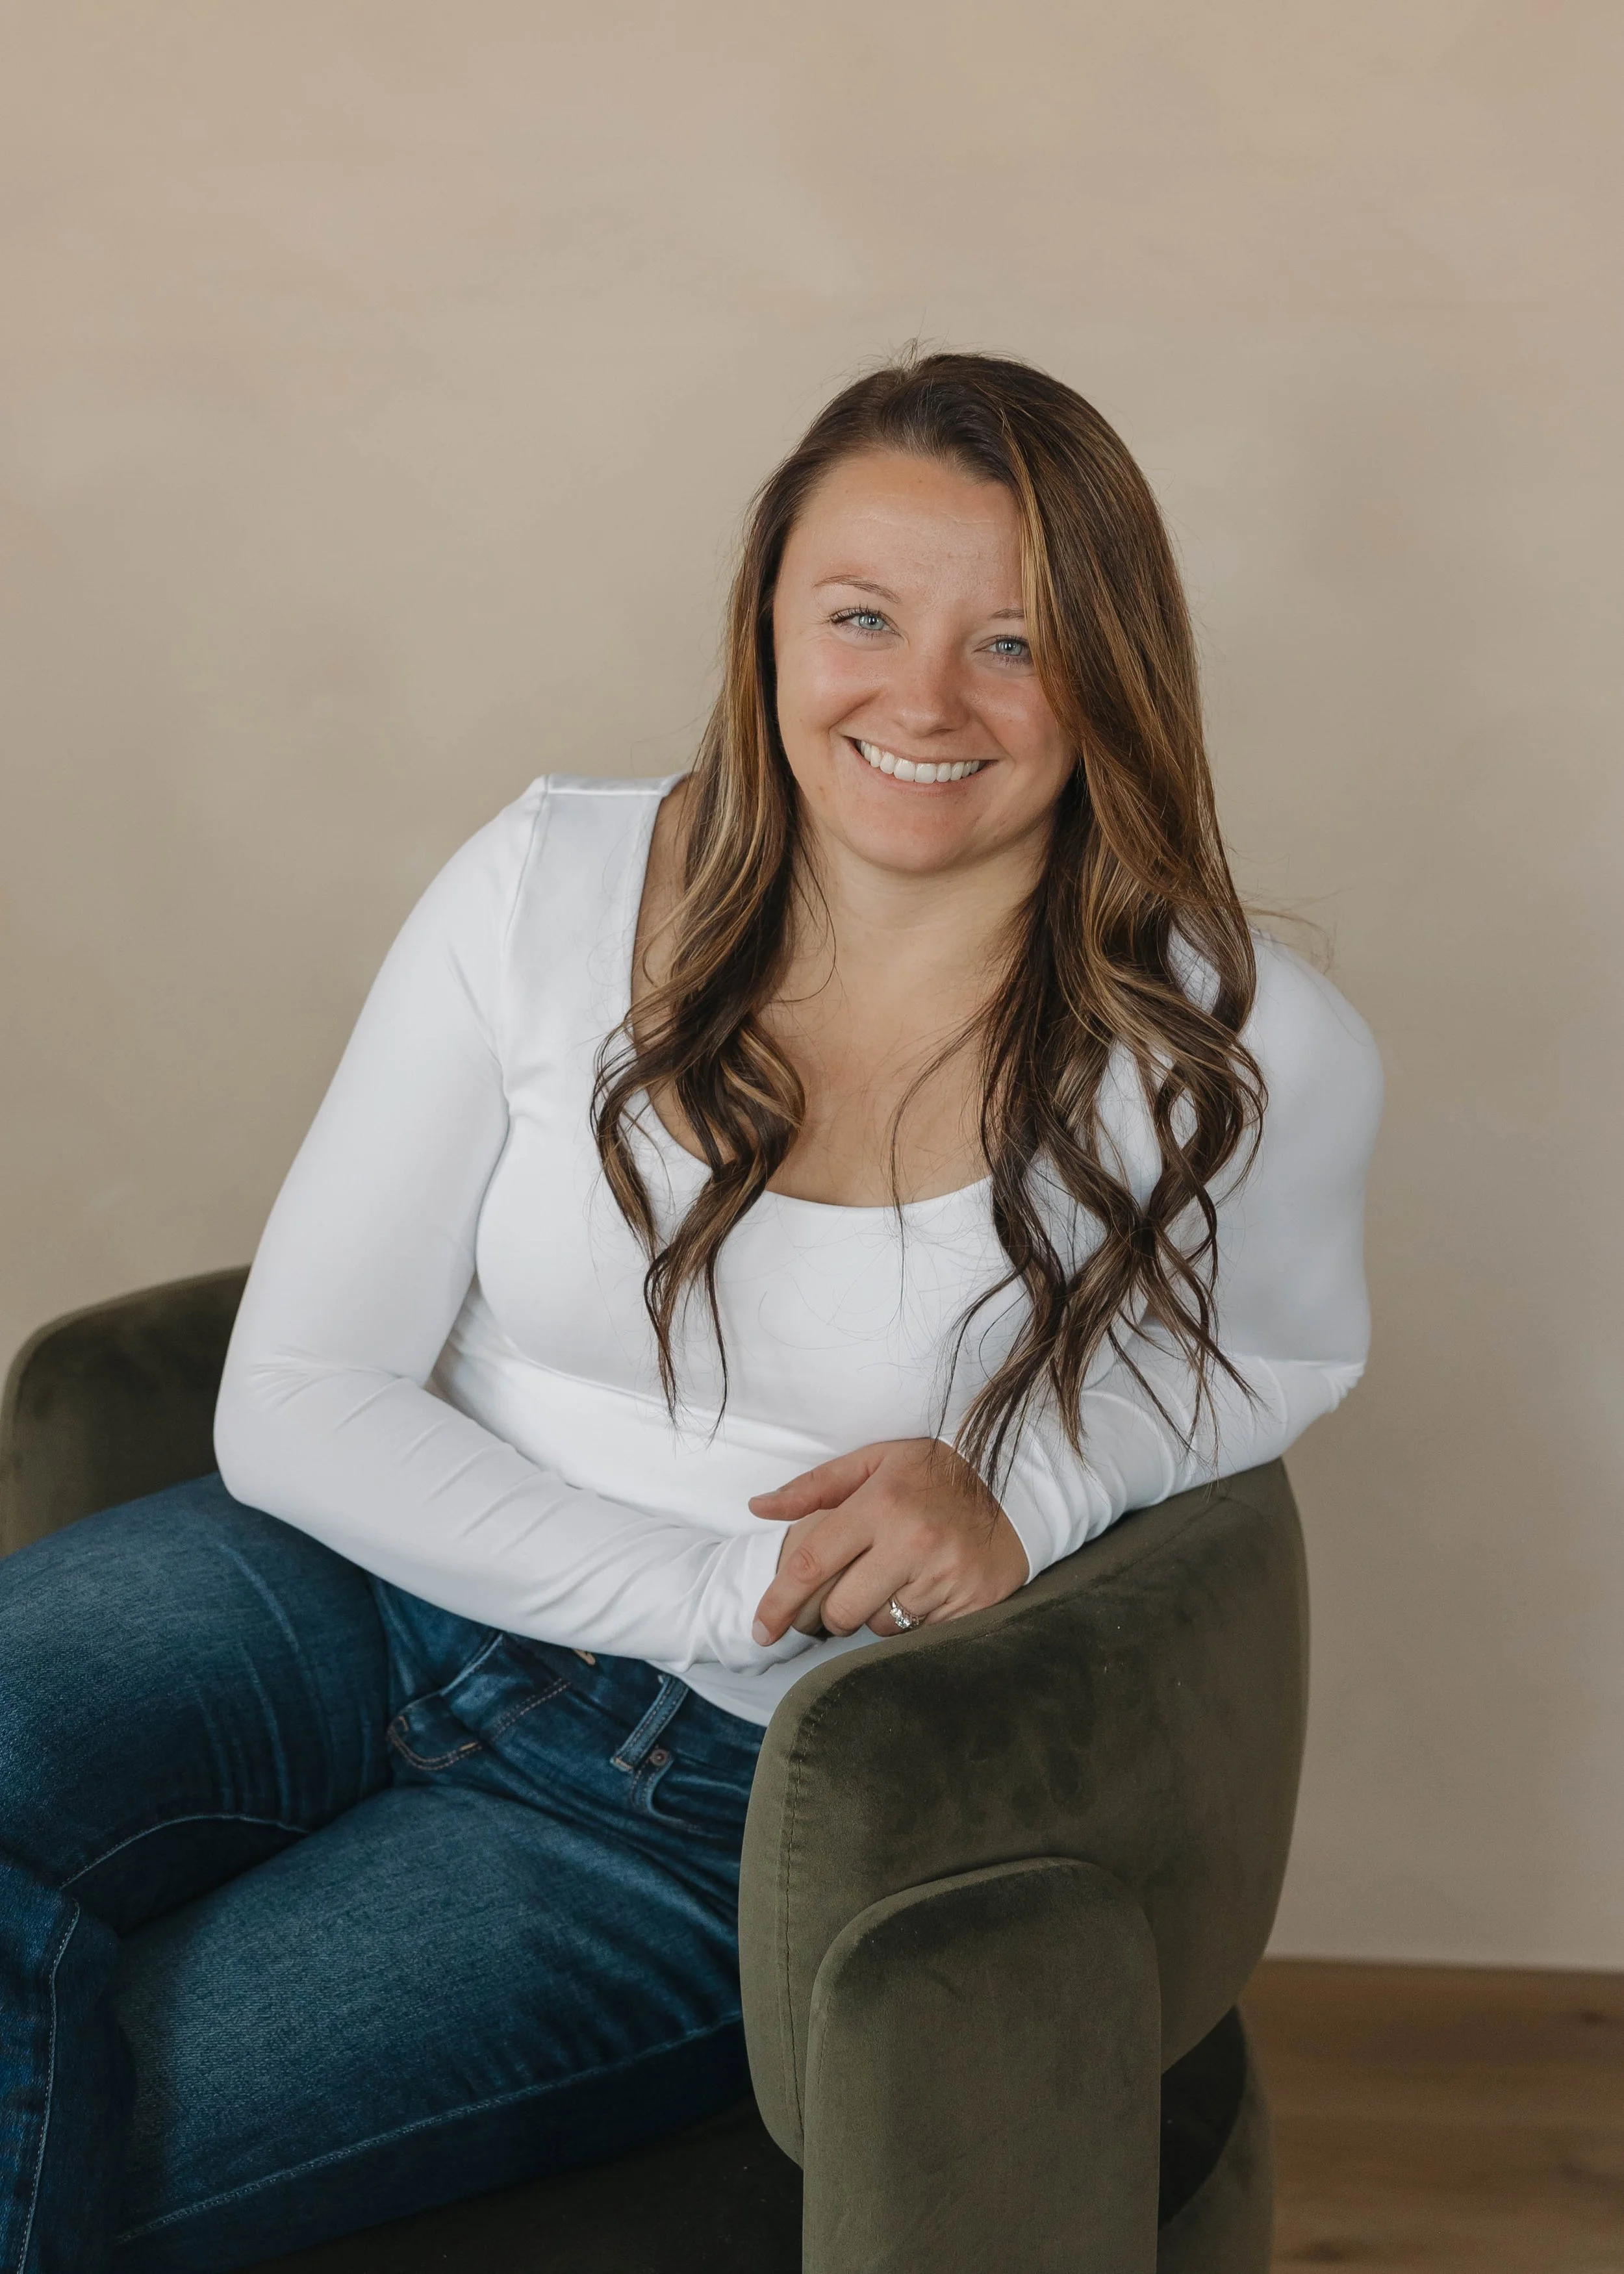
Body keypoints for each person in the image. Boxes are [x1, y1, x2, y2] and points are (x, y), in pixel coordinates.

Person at [0, 351, 1381, 2271]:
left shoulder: (1237, 1044)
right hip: (343, 1580)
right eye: (863, 617)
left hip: (713, 1793)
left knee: (115, 2121)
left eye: (1012, 642)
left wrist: (1028, 1489)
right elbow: (298, 1390)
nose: (922, 699)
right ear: (768, 626)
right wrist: (716, 1587)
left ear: (1113, 673)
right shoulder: (545, 881)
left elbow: (1275, 1355)